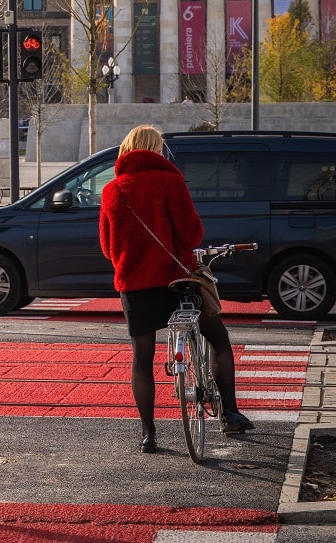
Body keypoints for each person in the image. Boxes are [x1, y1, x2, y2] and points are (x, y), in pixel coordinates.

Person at [99, 124, 254, 454]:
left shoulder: (113, 190)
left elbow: (107, 247)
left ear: (126, 150)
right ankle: (229, 413)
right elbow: (192, 234)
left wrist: (131, 261)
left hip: (135, 285)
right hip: (177, 280)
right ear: (157, 150)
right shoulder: (170, 181)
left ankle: (148, 434)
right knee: (217, 336)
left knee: (142, 356)